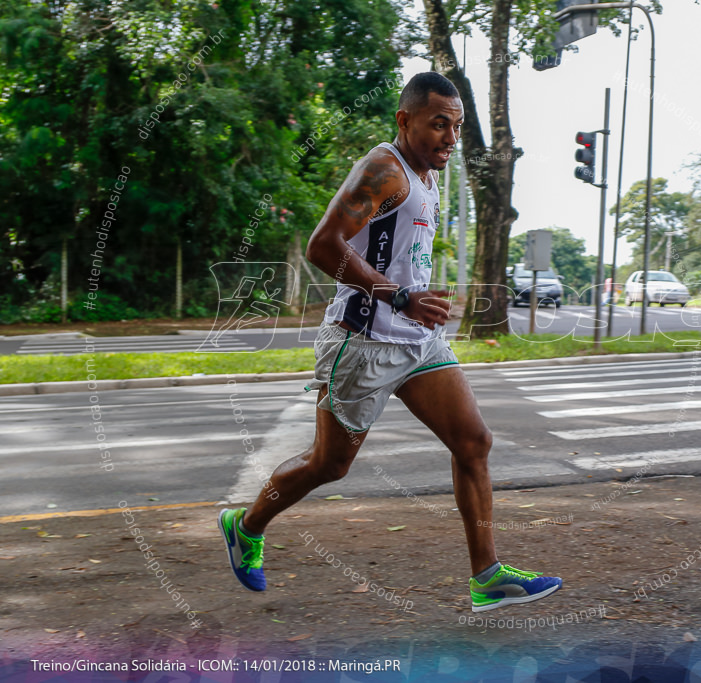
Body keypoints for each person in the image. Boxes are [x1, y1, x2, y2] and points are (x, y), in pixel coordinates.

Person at [218, 72, 561, 613]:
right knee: (329, 465)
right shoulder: (383, 168)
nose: (450, 137)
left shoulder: (429, 173)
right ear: (405, 121)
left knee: (473, 443)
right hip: (362, 343)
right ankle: (246, 525)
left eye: (456, 126)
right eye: (438, 124)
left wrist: (417, 301)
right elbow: (323, 246)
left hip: (417, 342)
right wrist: (400, 296)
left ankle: (488, 577)